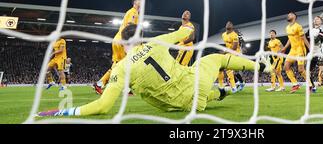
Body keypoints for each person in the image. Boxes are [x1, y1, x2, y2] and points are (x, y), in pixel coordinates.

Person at [37, 24, 271, 117]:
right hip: (194, 85)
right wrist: (187, 26)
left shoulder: (120, 69)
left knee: (203, 95)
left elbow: (102, 107)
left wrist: (63, 111)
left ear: (122, 43)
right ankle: (262, 66)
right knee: (216, 59)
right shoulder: (156, 42)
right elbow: (185, 33)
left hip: (181, 106)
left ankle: (225, 92)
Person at [93, 0, 141, 94]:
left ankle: (100, 84)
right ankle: (125, 88)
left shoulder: (133, 12)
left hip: (117, 40)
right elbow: (129, 27)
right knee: (126, 64)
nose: (142, 2)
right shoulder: (133, 12)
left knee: (118, 65)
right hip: (123, 41)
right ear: (135, 2)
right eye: (140, 0)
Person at [281, 11, 311, 93]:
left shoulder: (298, 26)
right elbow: (289, 39)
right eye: (288, 15)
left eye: (290, 15)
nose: (288, 16)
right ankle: (295, 84)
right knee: (286, 67)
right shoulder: (287, 27)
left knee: (301, 70)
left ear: (294, 16)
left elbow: (304, 38)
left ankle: (310, 85)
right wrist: (285, 48)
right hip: (292, 50)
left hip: (300, 49)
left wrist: (310, 48)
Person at [306, 16, 323, 94]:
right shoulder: (309, 30)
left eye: (317, 19)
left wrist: (308, 40)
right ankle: (313, 87)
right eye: (314, 19)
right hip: (311, 54)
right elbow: (304, 38)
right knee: (307, 71)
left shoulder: (322, 30)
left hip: (319, 52)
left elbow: (318, 40)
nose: (315, 20)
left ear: (321, 22)